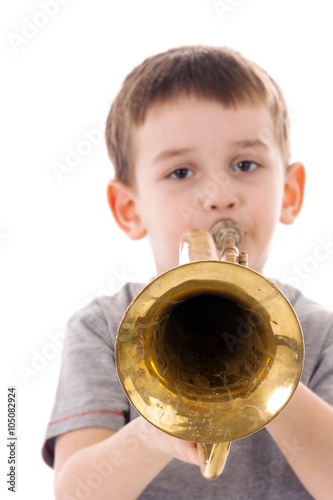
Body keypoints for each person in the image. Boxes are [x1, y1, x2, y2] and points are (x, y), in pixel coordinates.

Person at [42, 46, 333, 500]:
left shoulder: (320, 333)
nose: (218, 196)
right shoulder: (102, 329)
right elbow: (76, 493)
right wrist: (152, 434)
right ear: (129, 208)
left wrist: (265, 370)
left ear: (291, 192)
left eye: (245, 165)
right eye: (180, 172)